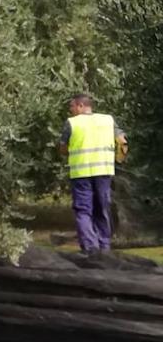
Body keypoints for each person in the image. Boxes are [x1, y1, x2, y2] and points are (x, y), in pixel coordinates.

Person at [57, 93, 128, 254]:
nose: (71, 109)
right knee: (102, 208)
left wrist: (71, 151)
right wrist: (119, 159)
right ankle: (104, 247)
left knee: (83, 211)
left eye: (72, 106)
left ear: (81, 106)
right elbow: (123, 141)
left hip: (81, 173)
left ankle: (90, 248)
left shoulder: (72, 123)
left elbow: (62, 148)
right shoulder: (108, 120)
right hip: (103, 171)